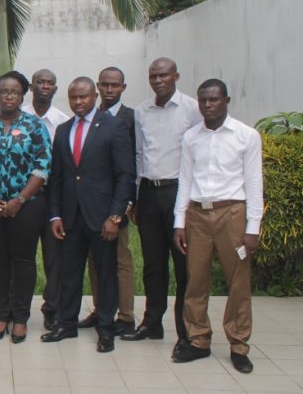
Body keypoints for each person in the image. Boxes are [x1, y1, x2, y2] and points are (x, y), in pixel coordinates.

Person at [172, 79, 263, 373]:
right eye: (203, 101)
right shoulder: (191, 137)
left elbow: (253, 184)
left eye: (213, 100)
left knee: (238, 281)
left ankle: (238, 345)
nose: (208, 106)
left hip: (232, 214)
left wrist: (253, 228)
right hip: (197, 215)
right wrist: (179, 221)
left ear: (226, 100)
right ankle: (198, 340)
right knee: (195, 280)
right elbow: (185, 180)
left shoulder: (246, 136)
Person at [40, 78, 135, 353]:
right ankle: (66, 324)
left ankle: (105, 329)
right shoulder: (64, 129)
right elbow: (57, 177)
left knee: (105, 273)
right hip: (70, 216)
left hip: (102, 217)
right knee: (69, 272)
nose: (78, 102)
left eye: (83, 97)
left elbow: (125, 176)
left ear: (94, 96)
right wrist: (55, 215)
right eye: (73, 98)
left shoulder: (114, 127)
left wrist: (116, 217)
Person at [123, 58, 202, 353]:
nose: (158, 80)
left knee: (183, 265)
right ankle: (152, 322)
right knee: (153, 264)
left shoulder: (192, 109)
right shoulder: (142, 111)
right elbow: (140, 154)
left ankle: (186, 329)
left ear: (176, 76)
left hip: (179, 193)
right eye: (153, 76)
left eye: (164, 75)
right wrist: (136, 197)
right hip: (149, 192)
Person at [0, 71, 51, 344]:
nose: (10, 96)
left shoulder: (34, 126)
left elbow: (42, 167)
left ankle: (21, 317)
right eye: (4, 91)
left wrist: (20, 200)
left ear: (23, 95)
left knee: (23, 261)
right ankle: (2, 314)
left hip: (26, 207)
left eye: (15, 91)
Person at [81, 67, 137, 335]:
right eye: (104, 84)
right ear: (97, 87)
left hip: (118, 202)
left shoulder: (130, 118)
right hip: (92, 204)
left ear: (123, 87)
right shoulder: (90, 117)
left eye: (115, 85)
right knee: (95, 259)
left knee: (121, 260)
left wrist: (125, 205)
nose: (109, 89)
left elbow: (131, 166)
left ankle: (125, 315)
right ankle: (100, 309)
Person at [21, 68, 68, 331]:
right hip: (22, 199)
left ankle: (52, 309)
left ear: (55, 89)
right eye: (40, 82)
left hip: (51, 197)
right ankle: (17, 309)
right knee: (22, 256)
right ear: (31, 86)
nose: (45, 87)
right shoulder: (18, 117)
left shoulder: (63, 122)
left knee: (54, 257)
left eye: (50, 83)